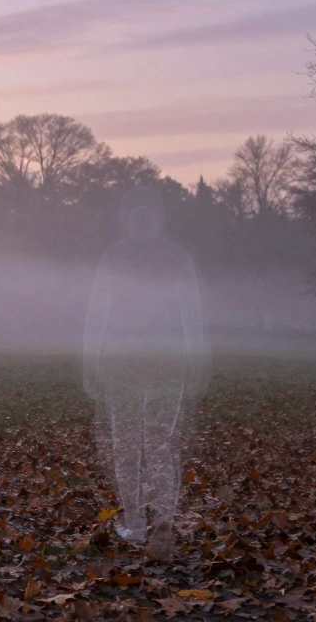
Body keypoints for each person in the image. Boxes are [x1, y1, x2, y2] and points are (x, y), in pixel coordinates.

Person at [83, 186, 206, 560]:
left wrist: (91, 363)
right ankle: (150, 518)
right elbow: (99, 313)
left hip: (141, 363)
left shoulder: (122, 257)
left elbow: (97, 315)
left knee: (140, 444)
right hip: (148, 363)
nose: (141, 221)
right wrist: (197, 362)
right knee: (145, 445)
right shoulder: (168, 257)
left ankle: (147, 520)